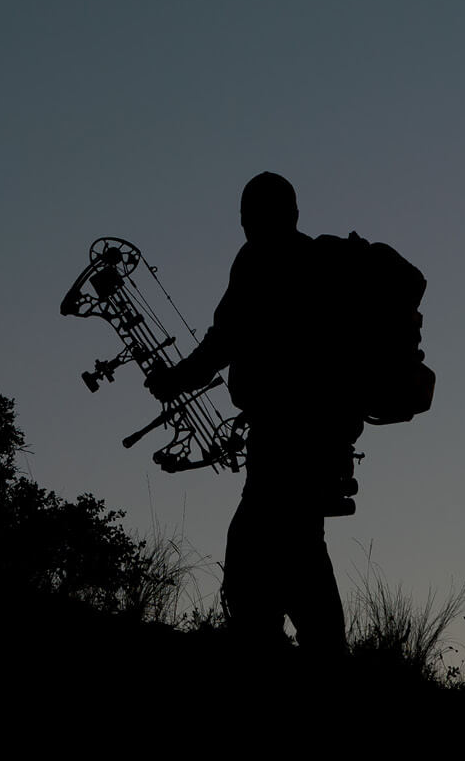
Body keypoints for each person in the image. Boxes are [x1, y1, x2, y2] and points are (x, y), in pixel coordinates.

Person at [145, 172, 372, 658]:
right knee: (295, 549)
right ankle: (309, 654)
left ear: (273, 217)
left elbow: (224, 341)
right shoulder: (316, 262)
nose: (248, 226)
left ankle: (301, 657)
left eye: (252, 216)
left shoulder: (264, 262)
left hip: (289, 439)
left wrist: (175, 379)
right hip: (316, 442)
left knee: (268, 553)